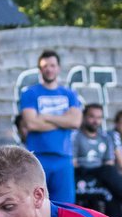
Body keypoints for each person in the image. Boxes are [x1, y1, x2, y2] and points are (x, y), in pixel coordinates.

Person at [18, 49, 82, 204]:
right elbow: (31, 123)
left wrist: (46, 117)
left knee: (65, 207)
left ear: (58, 68)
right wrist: (62, 120)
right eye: (45, 66)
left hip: (63, 157)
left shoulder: (69, 94)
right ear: (40, 69)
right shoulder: (30, 93)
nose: (49, 69)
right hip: (38, 158)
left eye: (52, 65)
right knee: (36, 205)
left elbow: (75, 122)